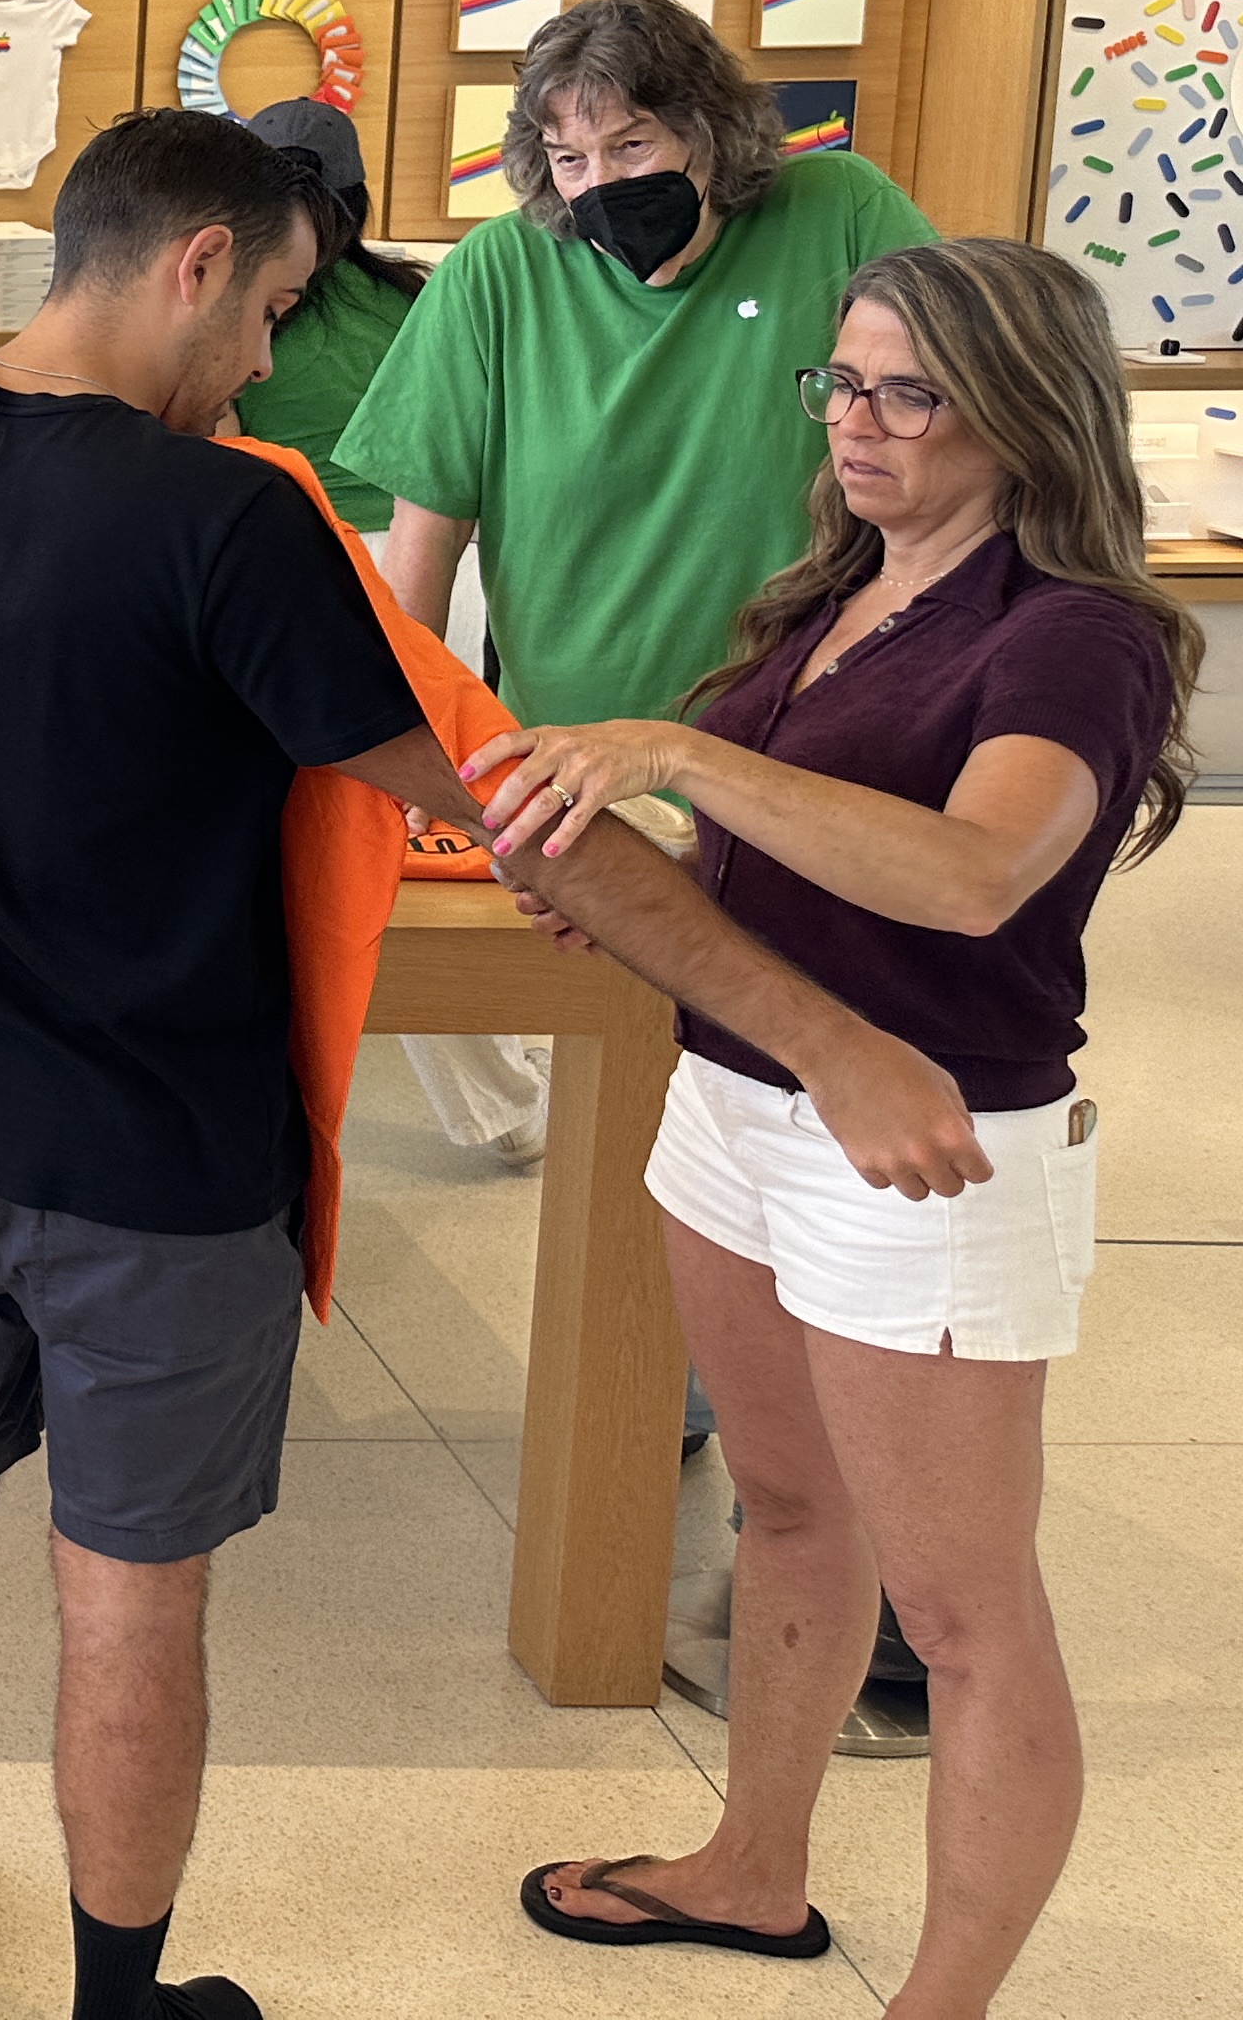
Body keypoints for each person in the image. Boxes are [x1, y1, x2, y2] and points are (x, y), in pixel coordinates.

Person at [0, 110, 988, 2020]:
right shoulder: (224, 517)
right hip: (155, 1173)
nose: (276, 360)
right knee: (126, 1591)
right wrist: (825, 1031)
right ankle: (116, 2001)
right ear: (195, 261)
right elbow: (509, 810)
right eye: (276, 305)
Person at [475, 240, 1192, 2014]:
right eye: (840, 382)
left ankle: (937, 1996)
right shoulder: (835, 590)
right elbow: (797, 859)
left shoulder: (1073, 631)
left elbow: (967, 872)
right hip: (731, 1093)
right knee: (786, 1504)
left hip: (926, 1138)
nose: (853, 423)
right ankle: (751, 1865)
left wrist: (684, 759)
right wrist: (637, 875)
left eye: (903, 392)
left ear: (1022, 412)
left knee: (960, 1613)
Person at [335, 0, 935, 1176]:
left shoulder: (843, 213)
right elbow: (423, 541)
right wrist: (394, 744)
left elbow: (951, 416)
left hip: (806, 733)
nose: (599, 182)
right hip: (587, 750)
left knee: (801, 1091)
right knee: (639, 1119)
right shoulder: (504, 270)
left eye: (632, 146)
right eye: (568, 158)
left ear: (708, 132)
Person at [228, 96, 527, 1162]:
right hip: (453, 574)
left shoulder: (248, 301)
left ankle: (507, 1101)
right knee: (431, 825)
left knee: (355, 837)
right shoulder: (423, 296)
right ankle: (511, 1089)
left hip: (310, 578)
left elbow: (217, 456)